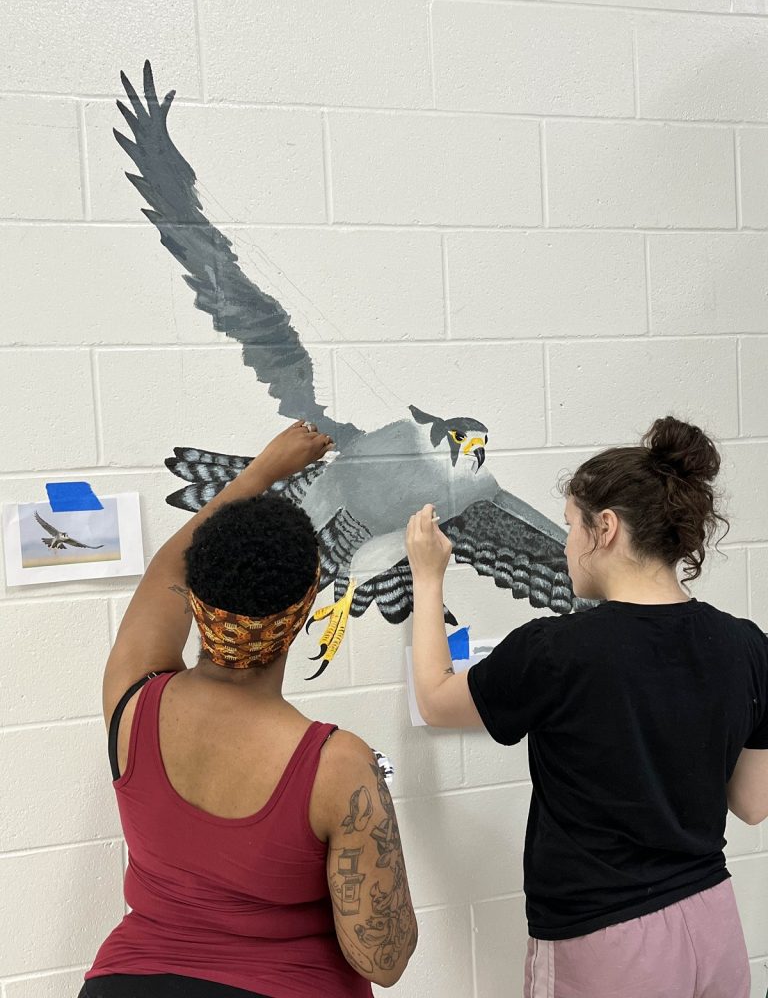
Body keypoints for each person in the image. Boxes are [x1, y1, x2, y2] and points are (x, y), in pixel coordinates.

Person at [405, 415, 768, 998]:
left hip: (607, 942)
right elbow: (752, 804)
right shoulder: (748, 644)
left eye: (571, 525)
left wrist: (428, 576)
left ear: (606, 528)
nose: (566, 542)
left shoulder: (559, 648)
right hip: (714, 927)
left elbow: (436, 699)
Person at [79, 421, 417, 998]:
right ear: (307, 603)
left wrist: (262, 471)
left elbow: (167, 568)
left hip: (125, 983)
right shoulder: (338, 764)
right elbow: (381, 959)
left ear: (195, 599)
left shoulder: (131, 701)